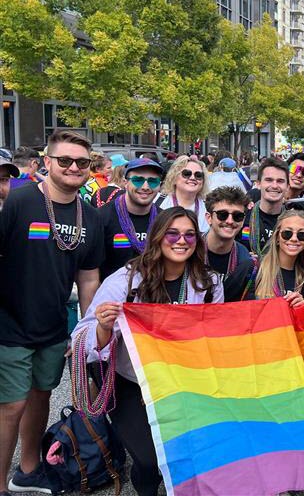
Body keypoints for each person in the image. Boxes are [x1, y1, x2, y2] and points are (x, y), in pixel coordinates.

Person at [72, 207, 222, 496]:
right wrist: (104, 326)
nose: (181, 241)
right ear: (157, 237)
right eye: (173, 233)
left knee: (194, 449)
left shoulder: (209, 283)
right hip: (131, 382)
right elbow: (80, 336)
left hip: (184, 381)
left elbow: (214, 337)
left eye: (190, 235)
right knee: (150, 459)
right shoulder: (126, 280)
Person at [0, 130, 104, 495]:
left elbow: (88, 277)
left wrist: (87, 329)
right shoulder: (19, 201)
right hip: (9, 323)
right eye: (64, 160)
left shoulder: (90, 216)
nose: (73, 167)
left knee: (41, 395)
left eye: (82, 162)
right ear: (47, 163)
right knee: (11, 405)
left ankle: (27, 471)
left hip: (53, 326)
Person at [98, 158, 163, 281]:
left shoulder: (164, 220)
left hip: (153, 295)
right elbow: (91, 271)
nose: (145, 187)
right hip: (112, 296)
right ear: (125, 182)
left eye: (153, 181)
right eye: (138, 180)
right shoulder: (102, 217)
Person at [252, 209, 304, 307]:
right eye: (287, 233)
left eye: (301, 235)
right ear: (277, 237)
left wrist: (303, 307)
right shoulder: (255, 269)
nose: (294, 239)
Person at [203, 186, 255, 301]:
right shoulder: (190, 249)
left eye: (237, 216)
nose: (230, 221)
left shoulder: (245, 262)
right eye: (222, 215)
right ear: (209, 218)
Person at [240, 157, 289, 260]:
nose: (274, 186)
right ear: (258, 183)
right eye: (269, 180)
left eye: (280, 181)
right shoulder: (241, 216)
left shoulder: (291, 221)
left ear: (287, 186)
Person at [157, 156, 210, 231]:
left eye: (198, 175)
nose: (192, 178)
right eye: (187, 174)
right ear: (174, 178)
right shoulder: (157, 201)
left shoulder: (208, 208)